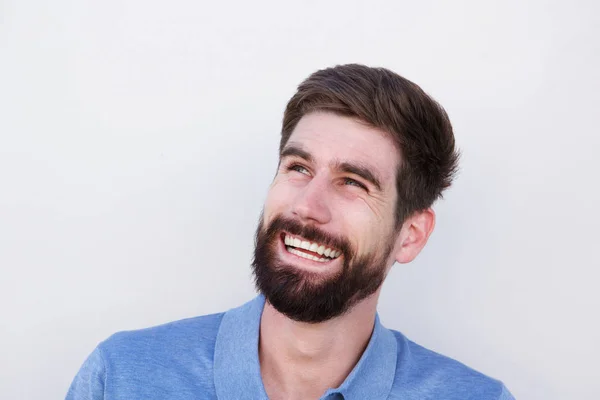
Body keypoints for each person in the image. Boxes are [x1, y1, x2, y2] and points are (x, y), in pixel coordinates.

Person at [66, 64, 514, 400]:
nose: (306, 206)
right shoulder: (120, 378)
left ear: (411, 234)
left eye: (353, 183)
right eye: (298, 168)